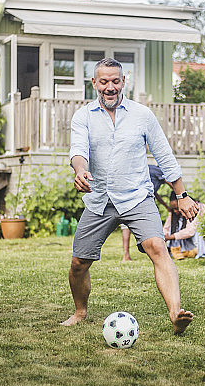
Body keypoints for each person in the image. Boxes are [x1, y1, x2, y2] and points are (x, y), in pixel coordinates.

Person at [65, 57, 197, 335]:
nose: (110, 87)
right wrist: (80, 171)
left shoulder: (142, 115)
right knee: (79, 264)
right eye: (104, 82)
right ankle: (80, 312)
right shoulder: (83, 116)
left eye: (115, 81)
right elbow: (78, 151)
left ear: (124, 82)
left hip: (137, 196)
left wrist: (182, 194)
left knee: (158, 248)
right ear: (94, 83)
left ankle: (176, 314)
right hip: (100, 198)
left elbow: (164, 156)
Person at [122, 164, 168, 261]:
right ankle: (155, 253)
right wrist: (180, 194)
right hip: (140, 200)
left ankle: (126, 255)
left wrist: (166, 206)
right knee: (149, 228)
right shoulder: (159, 171)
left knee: (126, 226)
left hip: (128, 197)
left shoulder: (149, 170)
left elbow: (155, 194)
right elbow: (170, 181)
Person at [164, 193, 205, 260]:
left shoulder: (194, 208)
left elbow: (190, 231)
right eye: (173, 209)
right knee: (174, 226)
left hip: (200, 237)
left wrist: (170, 237)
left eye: (176, 208)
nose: (175, 211)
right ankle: (177, 249)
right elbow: (166, 227)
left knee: (197, 228)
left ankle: (196, 252)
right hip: (186, 239)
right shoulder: (174, 212)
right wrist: (163, 237)